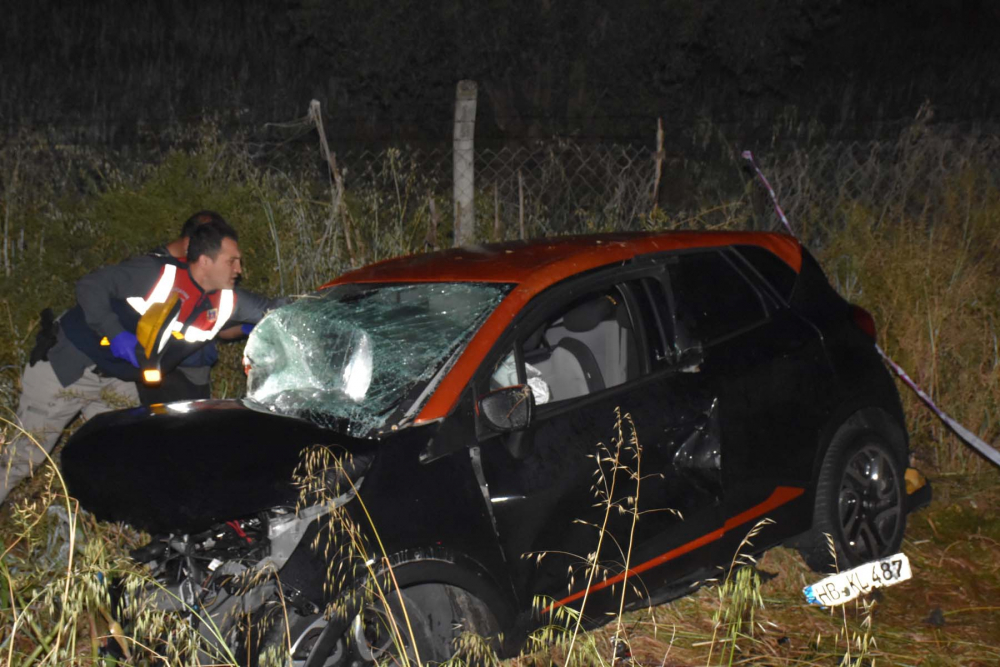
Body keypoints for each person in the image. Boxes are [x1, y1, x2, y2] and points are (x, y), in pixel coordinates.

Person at [0, 217, 278, 504]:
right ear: (205, 261)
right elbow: (90, 286)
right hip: (70, 367)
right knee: (25, 455)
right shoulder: (156, 273)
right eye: (232, 261)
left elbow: (272, 309)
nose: (239, 270)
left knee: (119, 455)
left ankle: (103, 528)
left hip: (118, 380)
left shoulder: (226, 300)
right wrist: (116, 333)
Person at [140, 210, 251, 405]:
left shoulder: (209, 277)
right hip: (167, 370)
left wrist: (245, 328)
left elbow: (217, 326)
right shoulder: (156, 270)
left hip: (198, 372)